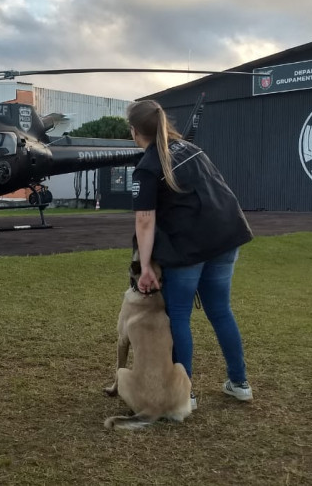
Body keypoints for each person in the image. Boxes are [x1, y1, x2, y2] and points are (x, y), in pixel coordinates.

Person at [127, 99, 254, 408]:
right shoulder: (191, 150)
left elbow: (145, 220)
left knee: (179, 316)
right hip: (226, 236)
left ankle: (185, 394)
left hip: (190, 246)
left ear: (134, 132)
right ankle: (239, 383)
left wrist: (144, 267)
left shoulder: (148, 166)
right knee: (220, 310)